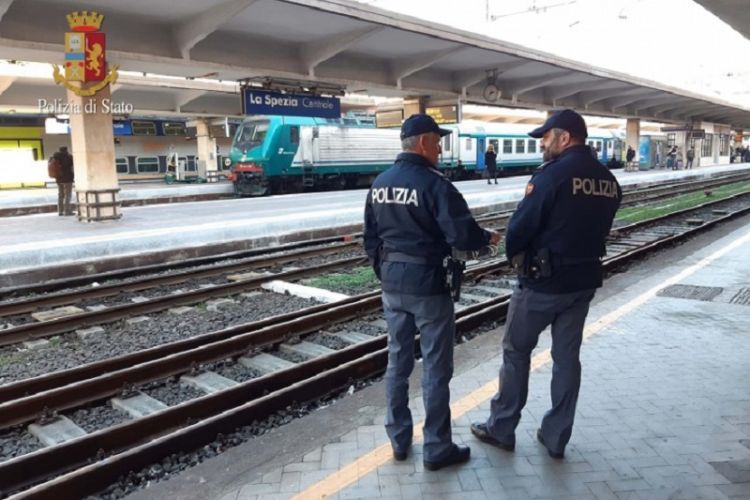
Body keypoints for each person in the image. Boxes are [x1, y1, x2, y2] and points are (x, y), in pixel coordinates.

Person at [470, 109, 621, 459]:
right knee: (567, 359)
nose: (543, 144)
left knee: (516, 351)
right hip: (583, 282)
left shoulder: (552, 176)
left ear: (564, 137)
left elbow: (519, 230)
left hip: (542, 284)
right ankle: (556, 436)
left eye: (546, 137)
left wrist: (517, 258)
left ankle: (502, 428)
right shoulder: (607, 180)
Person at [363, 113, 500, 471]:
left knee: (398, 362)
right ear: (423, 143)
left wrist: (387, 271)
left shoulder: (380, 182)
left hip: (392, 285)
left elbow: (370, 238)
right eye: (437, 141)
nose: (440, 148)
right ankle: (437, 447)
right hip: (429, 286)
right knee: (437, 368)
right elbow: (462, 235)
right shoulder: (435, 184)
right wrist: (486, 237)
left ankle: (398, 437)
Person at [52, 146, 75, 216]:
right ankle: (67, 211)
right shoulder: (68, 157)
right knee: (68, 195)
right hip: (67, 179)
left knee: (60, 195)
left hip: (59, 179)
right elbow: (72, 165)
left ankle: (60, 211)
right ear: (66, 150)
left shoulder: (55, 157)